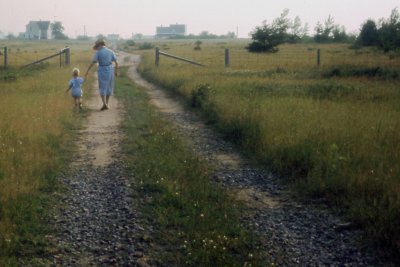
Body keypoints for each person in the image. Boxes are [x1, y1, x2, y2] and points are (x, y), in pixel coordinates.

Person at [85, 39, 118, 111]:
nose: (96, 47)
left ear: (99, 45)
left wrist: (87, 70)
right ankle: (106, 103)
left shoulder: (98, 53)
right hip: (110, 69)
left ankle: (104, 104)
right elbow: (116, 62)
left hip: (102, 70)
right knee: (109, 86)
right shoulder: (110, 51)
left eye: (97, 46)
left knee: (102, 86)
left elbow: (93, 62)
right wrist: (116, 71)